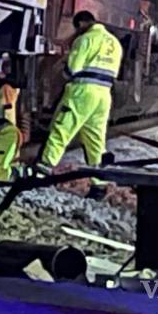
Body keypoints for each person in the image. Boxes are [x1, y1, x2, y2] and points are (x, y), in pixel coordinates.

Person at [37, 11, 122, 198]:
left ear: (82, 23)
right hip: (104, 95)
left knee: (61, 130)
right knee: (95, 141)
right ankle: (99, 185)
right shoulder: (114, 43)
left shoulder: (85, 40)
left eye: (77, 28)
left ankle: (41, 175)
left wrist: (61, 78)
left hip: (83, 92)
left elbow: (72, 69)